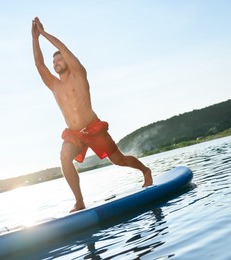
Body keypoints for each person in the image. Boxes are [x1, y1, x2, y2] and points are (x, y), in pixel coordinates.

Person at [32, 17, 153, 212]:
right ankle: (79, 201)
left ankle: (145, 171)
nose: (56, 63)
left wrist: (44, 33)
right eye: (53, 61)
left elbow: (64, 48)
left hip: (94, 129)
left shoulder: (79, 73)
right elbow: (39, 64)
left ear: (67, 60)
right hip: (74, 134)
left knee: (119, 160)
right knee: (64, 157)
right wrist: (34, 37)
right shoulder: (54, 85)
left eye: (59, 59)